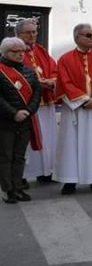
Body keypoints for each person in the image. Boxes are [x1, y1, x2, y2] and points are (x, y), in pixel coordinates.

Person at [54, 24, 92, 194]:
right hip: (76, 109)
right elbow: (65, 83)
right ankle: (70, 180)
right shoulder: (65, 59)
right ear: (77, 37)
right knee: (71, 146)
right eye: (88, 35)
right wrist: (83, 100)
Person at [15, 20, 57, 184]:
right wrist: (36, 83)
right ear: (18, 34)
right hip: (27, 105)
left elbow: (54, 69)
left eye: (34, 32)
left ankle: (45, 171)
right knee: (26, 142)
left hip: (46, 102)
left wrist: (52, 80)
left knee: (48, 139)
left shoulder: (41, 50)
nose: (32, 35)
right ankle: (22, 175)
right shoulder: (15, 51)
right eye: (28, 32)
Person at [0, 37, 41, 203]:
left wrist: (29, 111)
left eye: (21, 51)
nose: (20, 54)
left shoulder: (29, 71)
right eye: (15, 51)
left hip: (25, 120)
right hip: (5, 121)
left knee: (19, 156)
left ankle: (18, 187)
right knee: (5, 156)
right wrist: (13, 113)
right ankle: (8, 190)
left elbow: (37, 93)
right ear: (5, 52)